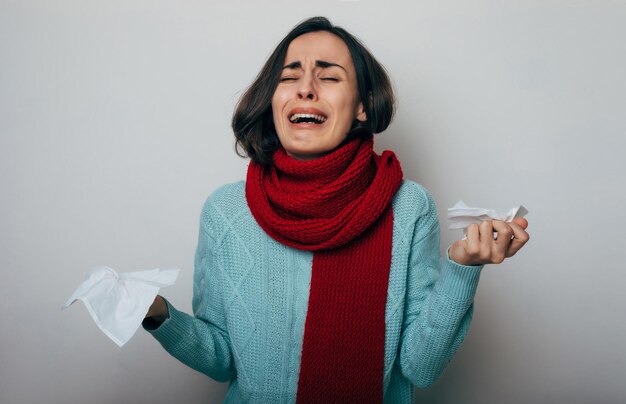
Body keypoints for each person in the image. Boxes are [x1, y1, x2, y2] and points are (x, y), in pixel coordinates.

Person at [143, 16, 529, 403]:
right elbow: (223, 359)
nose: (306, 89)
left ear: (361, 106)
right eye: (288, 77)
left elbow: (420, 368)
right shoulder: (225, 212)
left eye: (328, 77)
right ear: (272, 100)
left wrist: (463, 267)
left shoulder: (409, 208)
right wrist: (157, 314)